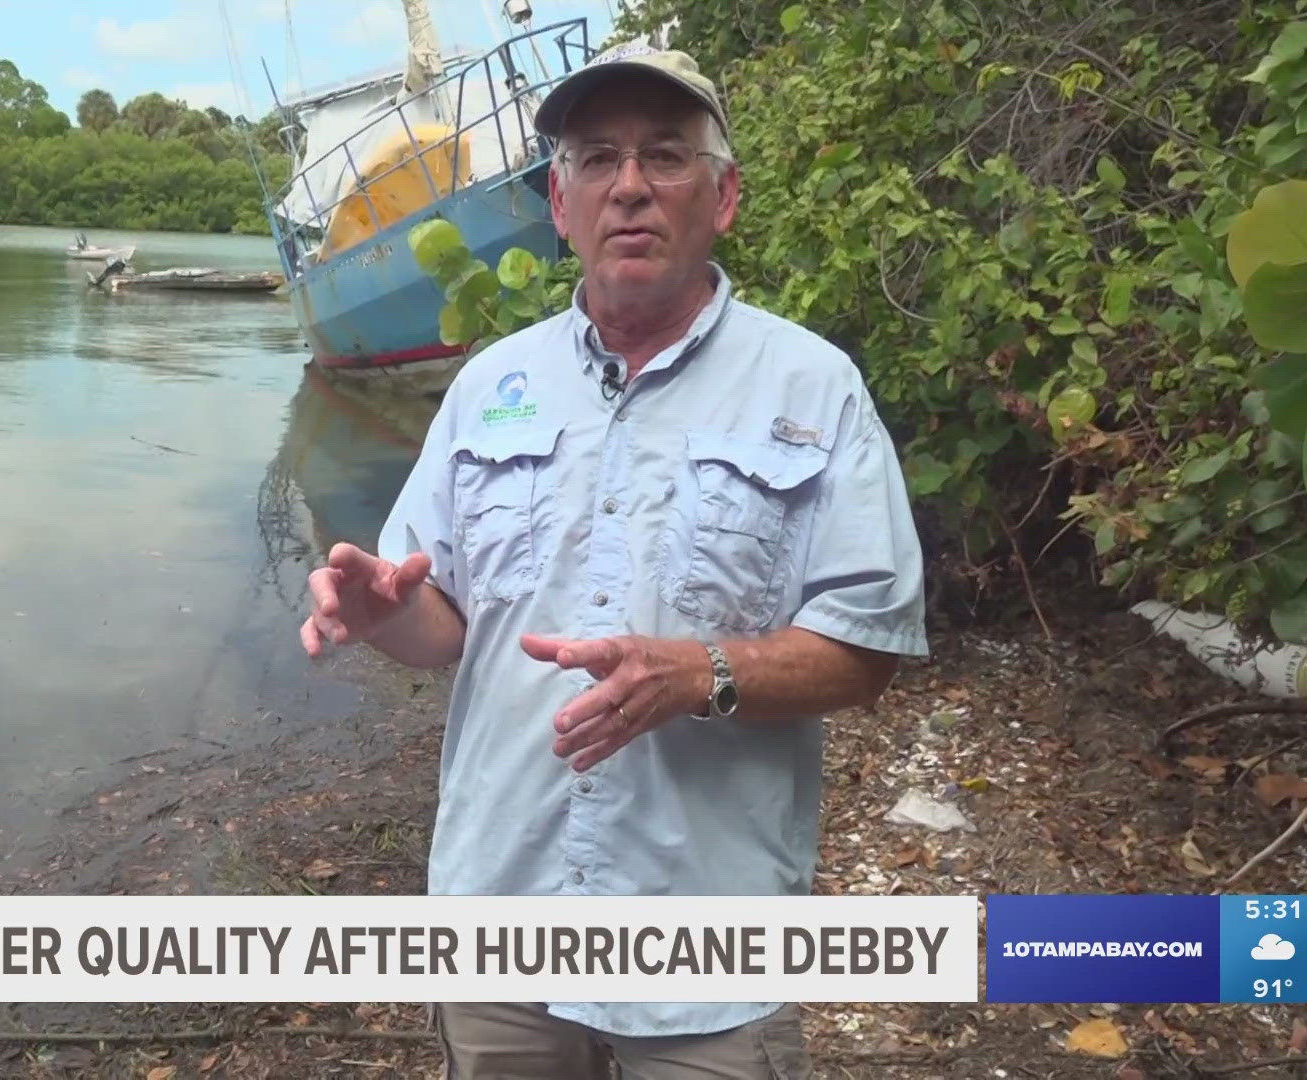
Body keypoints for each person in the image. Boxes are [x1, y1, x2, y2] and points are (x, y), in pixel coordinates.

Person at [299, 40, 929, 1079]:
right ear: (559, 200)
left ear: (722, 197)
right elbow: (441, 624)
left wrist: (705, 674)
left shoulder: (816, 389)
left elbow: (867, 652)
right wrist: (378, 613)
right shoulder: (490, 385)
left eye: (665, 155)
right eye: (596, 157)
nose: (629, 185)